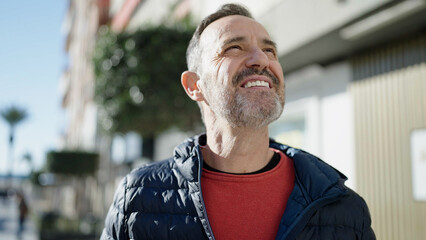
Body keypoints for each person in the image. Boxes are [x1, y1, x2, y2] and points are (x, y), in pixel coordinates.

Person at [101, 3, 375, 240]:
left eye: (270, 51)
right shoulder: (137, 197)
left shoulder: (344, 208)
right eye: (234, 47)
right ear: (195, 85)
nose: (261, 60)